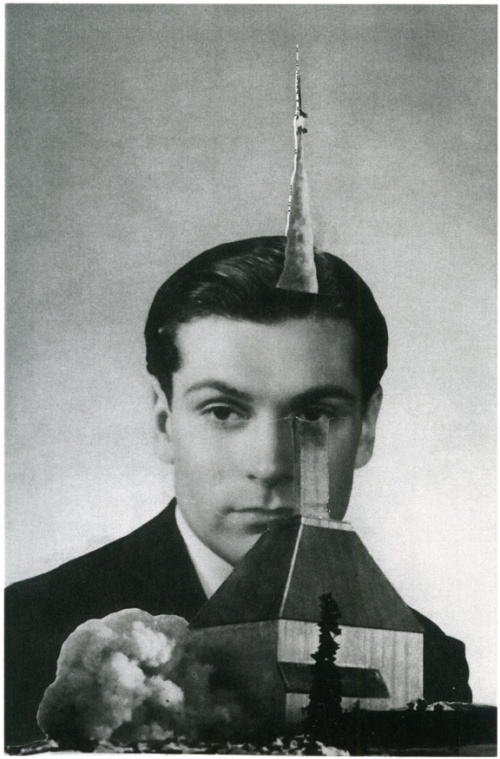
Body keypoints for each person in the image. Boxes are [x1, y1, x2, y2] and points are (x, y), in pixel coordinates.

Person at [4, 236, 471, 747]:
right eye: (223, 411)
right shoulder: (21, 631)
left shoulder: (432, 658)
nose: (269, 465)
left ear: (365, 428)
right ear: (163, 422)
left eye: (315, 414)